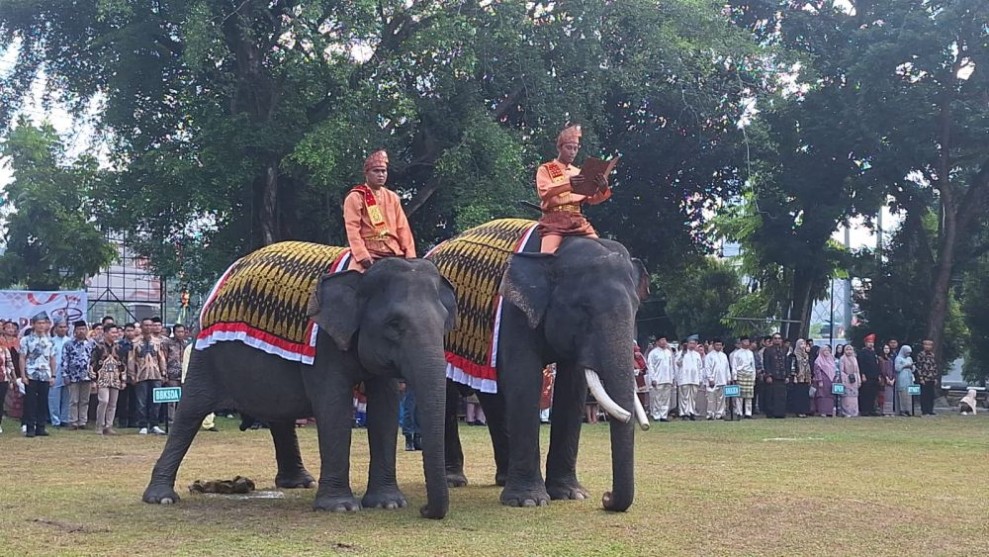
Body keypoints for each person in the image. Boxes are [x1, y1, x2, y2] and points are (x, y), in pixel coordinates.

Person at [534, 125, 612, 253]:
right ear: (560, 148)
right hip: (554, 220)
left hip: (577, 219)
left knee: (601, 252)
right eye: (569, 148)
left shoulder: (579, 172)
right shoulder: (546, 169)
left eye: (575, 148)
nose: (572, 152)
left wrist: (602, 188)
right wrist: (568, 184)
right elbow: (544, 192)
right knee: (546, 256)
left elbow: (591, 199)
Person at [343, 149, 416, 272]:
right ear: (366, 173)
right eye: (376, 171)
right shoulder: (355, 197)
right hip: (369, 252)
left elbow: (403, 228)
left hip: (394, 252)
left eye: (384, 171)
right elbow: (352, 229)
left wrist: (410, 255)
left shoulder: (393, 197)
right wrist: (362, 255)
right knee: (351, 281)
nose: (381, 174)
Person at [127, 318, 168, 435]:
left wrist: (163, 372)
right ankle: (143, 424)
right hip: (141, 375)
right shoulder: (135, 342)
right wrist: (132, 375)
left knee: (156, 401)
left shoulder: (158, 342)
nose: (148, 328)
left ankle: (154, 424)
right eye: (146, 325)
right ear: (141, 326)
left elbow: (161, 358)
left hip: (155, 374)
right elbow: (131, 359)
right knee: (141, 401)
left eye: (150, 325)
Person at [19, 312, 56, 437]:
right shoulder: (26, 340)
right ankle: (30, 427)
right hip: (31, 373)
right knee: (30, 401)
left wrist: (53, 375)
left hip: (45, 374)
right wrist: (23, 375)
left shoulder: (50, 340)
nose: (41, 326)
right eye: (39, 323)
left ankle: (41, 426)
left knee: (43, 401)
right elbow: (22, 357)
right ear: (33, 324)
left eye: (44, 323)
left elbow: (52, 359)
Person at [91, 323, 125, 435]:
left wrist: (123, 379)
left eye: (116, 332)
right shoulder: (98, 347)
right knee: (103, 401)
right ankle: (99, 425)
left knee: (112, 403)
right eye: (112, 332)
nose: (115, 335)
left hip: (115, 378)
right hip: (102, 378)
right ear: (105, 333)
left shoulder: (119, 347)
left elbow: (123, 364)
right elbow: (92, 363)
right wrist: (93, 379)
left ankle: (108, 426)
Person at [62, 320, 95, 430]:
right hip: (73, 376)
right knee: (73, 400)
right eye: (79, 329)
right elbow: (65, 360)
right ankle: (73, 421)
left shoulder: (92, 343)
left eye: (83, 329)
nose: (81, 331)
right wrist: (65, 375)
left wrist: (94, 376)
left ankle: (83, 421)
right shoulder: (69, 344)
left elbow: (94, 360)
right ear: (75, 331)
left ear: (86, 330)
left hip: (88, 376)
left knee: (85, 400)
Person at [182, 342, 218, 432]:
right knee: (192, 404)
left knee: (209, 402)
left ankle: (208, 424)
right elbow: (186, 365)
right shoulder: (190, 348)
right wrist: (187, 380)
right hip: (193, 380)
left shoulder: (210, 345)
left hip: (207, 378)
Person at [646, 336, 675, 422]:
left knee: (666, 398)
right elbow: (650, 366)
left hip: (667, 379)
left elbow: (671, 366)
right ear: (657, 342)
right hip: (658, 379)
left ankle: (663, 415)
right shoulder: (653, 353)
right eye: (661, 340)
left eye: (665, 340)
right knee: (657, 398)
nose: (663, 342)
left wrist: (672, 378)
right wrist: (653, 379)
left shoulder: (668, 353)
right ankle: (656, 416)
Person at [48, 319, 70, 427]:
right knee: (53, 397)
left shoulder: (70, 341)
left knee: (67, 396)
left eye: (64, 327)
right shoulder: (50, 341)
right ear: (55, 328)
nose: (62, 329)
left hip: (68, 373)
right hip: (55, 372)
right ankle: (55, 420)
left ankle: (65, 419)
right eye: (60, 327)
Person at [675, 335, 703, 421]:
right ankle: (684, 413)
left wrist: (700, 378)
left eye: (694, 344)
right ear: (687, 344)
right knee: (684, 397)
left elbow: (700, 367)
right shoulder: (680, 353)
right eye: (690, 343)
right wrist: (683, 354)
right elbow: (678, 364)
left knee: (693, 397)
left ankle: (691, 412)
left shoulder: (697, 354)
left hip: (694, 379)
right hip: (684, 379)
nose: (692, 345)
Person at [703, 338, 731, 420]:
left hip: (722, 380)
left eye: (720, 345)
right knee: (711, 398)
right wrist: (710, 379)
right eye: (717, 345)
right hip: (713, 381)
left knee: (721, 399)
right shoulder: (709, 356)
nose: (718, 346)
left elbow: (727, 368)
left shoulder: (724, 355)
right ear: (713, 345)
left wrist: (728, 378)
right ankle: (710, 414)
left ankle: (720, 414)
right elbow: (707, 368)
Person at [762, 333, 788, 418]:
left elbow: (787, 363)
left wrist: (787, 376)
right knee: (771, 396)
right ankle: (770, 413)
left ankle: (780, 413)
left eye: (779, 338)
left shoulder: (785, 350)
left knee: (781, 396)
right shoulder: (768, 350)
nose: (777, 340)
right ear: (772, 340)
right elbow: (766, 363)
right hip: (773, 377)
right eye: (775, 338)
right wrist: (768, 375)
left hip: (782, 376)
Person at [730, 336, 756, 418]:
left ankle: (748, 413)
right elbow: (734, 365)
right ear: (741, 343)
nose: (747, 343)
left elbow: (753, 366)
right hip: (740, 374)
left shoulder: (750, 353)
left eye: (748, 341)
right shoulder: (737, 354)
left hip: (749, 374)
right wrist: (734, 377)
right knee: (739, 396)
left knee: (749, 396)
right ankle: (739, 412)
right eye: (745, 341)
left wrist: (753, 377)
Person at [857, 333, 881, 416]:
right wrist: (862, 374)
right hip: (866, 376)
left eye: (872, 342)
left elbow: (877, 364)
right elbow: (861, 364)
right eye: (869, 342)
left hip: (874, 376)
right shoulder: (862, 352)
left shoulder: (874, 353)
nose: (871, 344)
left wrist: (878, 375)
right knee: (865, 393)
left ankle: (871, 409)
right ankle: (865, 410)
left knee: (873, 394)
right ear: (865, 343)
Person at [787, 339, 812, 418]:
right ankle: (799, 411)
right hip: (798, 378)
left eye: (804, 344)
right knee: (798, 395)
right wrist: (794, 375)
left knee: (805, 394)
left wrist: (809, 377)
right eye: (801, 344)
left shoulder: (806, 355)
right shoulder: (794, 355)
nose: (803, 345)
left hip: (805, 377)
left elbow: (808, 366)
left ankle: (805, 411)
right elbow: (792, 366)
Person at [914, 339, 938, 416]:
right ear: (923, 345)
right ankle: (924, 410)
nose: (928, 346)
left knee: (931, 395)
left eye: (930, 345)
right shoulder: (920, 355)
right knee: (924, 395)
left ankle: (930, 410)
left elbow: (934, 367)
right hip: (924, 378)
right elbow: (919, 367)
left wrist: (935, 377)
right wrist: (921, 378)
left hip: (931, 378)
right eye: (926, 344)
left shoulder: (932, 355)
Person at [813, 345, 837, 417]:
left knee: (830, 396)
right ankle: (823, 411)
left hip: (831, 380)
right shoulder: (818, 360)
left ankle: (829, 411)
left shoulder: (831, 359)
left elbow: (834, 370)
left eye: (828, 350)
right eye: (825, 350)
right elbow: (817, 371)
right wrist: (819, 380)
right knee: (822, 396)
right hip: (823, 380)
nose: (826, 352)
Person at [839, 345, 861, 418]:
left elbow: (857, 370)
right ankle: (846, 412)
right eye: (847, 349)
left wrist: (858, 380)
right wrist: (844, 379)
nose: (849, 351)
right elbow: (841, 370)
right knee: (846, 397)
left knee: (854, 397)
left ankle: (854, 412)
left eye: (850, 349)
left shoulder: (854, 358)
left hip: (854, 379)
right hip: (846, 379)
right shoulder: (842, 359)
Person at [0, 326, 15, 434]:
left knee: (0, 402)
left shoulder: (4, 350)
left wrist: (13, 378)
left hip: (3, 379)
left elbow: (10, 365)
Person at [894, 345, 915, 417]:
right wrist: (904, 365)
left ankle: (909, 410)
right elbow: (897, 368)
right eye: (907, 353)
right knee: (903, 394)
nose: (908, 354)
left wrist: (912, 366)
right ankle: (902, 410)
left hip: (909, 377)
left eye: (909, 353)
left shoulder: (910, 358)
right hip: (902, 378)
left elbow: (914, 369)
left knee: (909, 394)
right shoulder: (898, 358)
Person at [879, 344, 896, 416]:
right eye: (885, 348)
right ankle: (884, 411)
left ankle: (890, 411)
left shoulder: (890, 359)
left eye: (888, 348)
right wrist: (886, 378)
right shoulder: (880, 359)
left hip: (891, 379)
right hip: (884, 380)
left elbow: (893, 369)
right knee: (884, 396)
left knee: (890, 396)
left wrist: (893, 379)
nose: (886, 350)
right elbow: (881, 369)